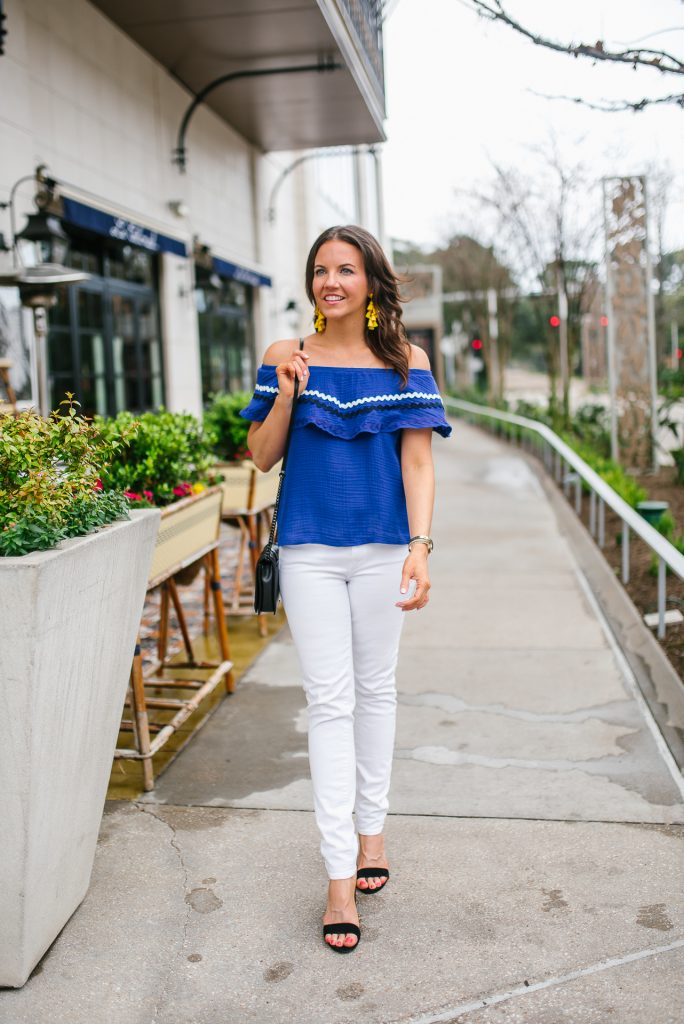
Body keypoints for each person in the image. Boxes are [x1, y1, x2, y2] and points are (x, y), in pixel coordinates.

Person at [240, 225, 451, 953]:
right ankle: (338, 879)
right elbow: (263, 457)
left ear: (369, 282)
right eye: (322, 269)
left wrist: (420, 549)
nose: (332, 280)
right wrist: (289, 398)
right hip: (309, 554)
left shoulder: (404, 362)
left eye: (347, 269)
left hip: (384, 550)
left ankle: (373, 835)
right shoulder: (284, 358)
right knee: (329, 704)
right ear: (311, 281)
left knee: (377, 692)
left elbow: (418, 465)